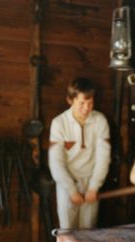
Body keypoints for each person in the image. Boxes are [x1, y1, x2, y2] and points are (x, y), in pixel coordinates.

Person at [48, 77, 111, 229]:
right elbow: (56, 162)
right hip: (67, 184)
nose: (86, 108)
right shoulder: (59, 123)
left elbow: (103, 158)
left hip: (91, 182)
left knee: (88, 232)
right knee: (67, 232)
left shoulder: (100, 121)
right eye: (82, 103)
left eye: (90, 103)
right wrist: (71, 190)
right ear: (70, 100)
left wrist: (94, 187)